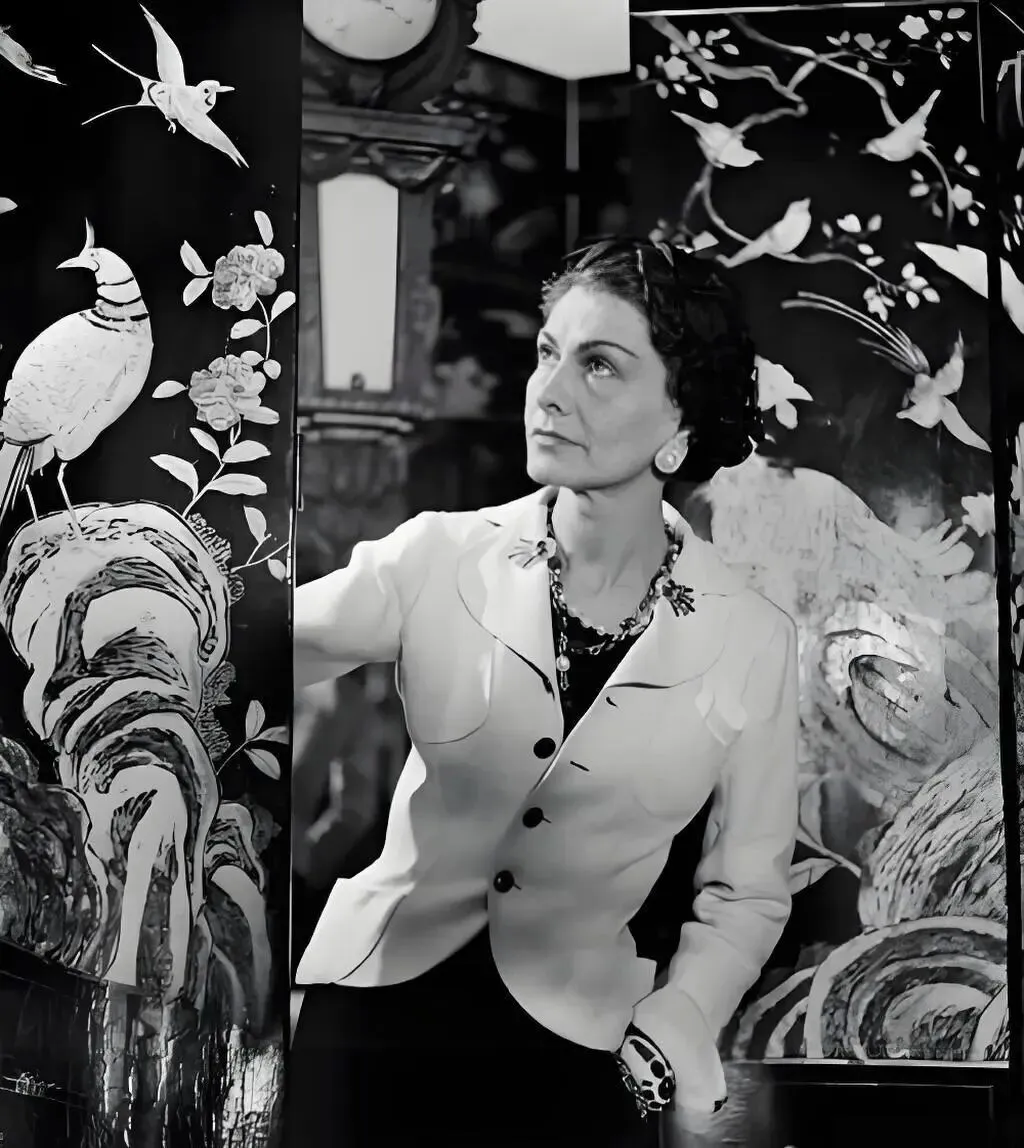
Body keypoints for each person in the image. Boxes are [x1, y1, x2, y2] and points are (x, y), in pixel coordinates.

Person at [287, 236, 800, 1147]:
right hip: (371, 1027)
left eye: (599, 364)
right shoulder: (438, 555)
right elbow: (250, 649)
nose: (549, 391)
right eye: (547, 353)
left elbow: (747, 892)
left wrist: (681, 1011)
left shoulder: (751, 637)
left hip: (579, 1060)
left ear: (680, 424)